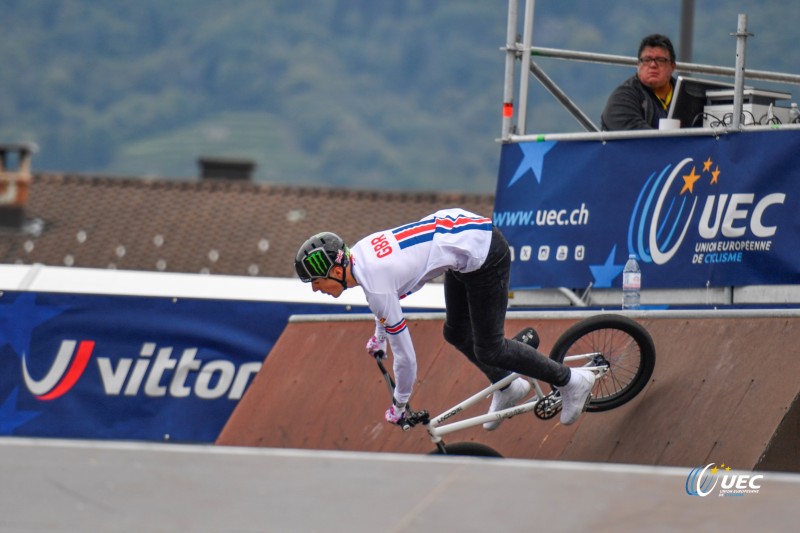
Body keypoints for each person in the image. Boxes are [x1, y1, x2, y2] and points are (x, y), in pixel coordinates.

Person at [293, 208, 595, 430]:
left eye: (316, 282)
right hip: (460, 242)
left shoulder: (374, 284)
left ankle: (571, 381)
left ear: (334, 270)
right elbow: (389, 298)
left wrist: (400, 403)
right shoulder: (359, 254)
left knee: (491, 348)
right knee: (456, 333)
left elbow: (407, 359)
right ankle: (507, 385)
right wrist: (379, 336)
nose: (318, 290)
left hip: (485, 254)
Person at [601, 34, 677, 130]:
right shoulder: (622, 98)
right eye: (647, 60)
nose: (653, 65)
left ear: (672, 67)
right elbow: (637, 139)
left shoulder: (687, 94)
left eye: (660, 60)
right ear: (638, 65)